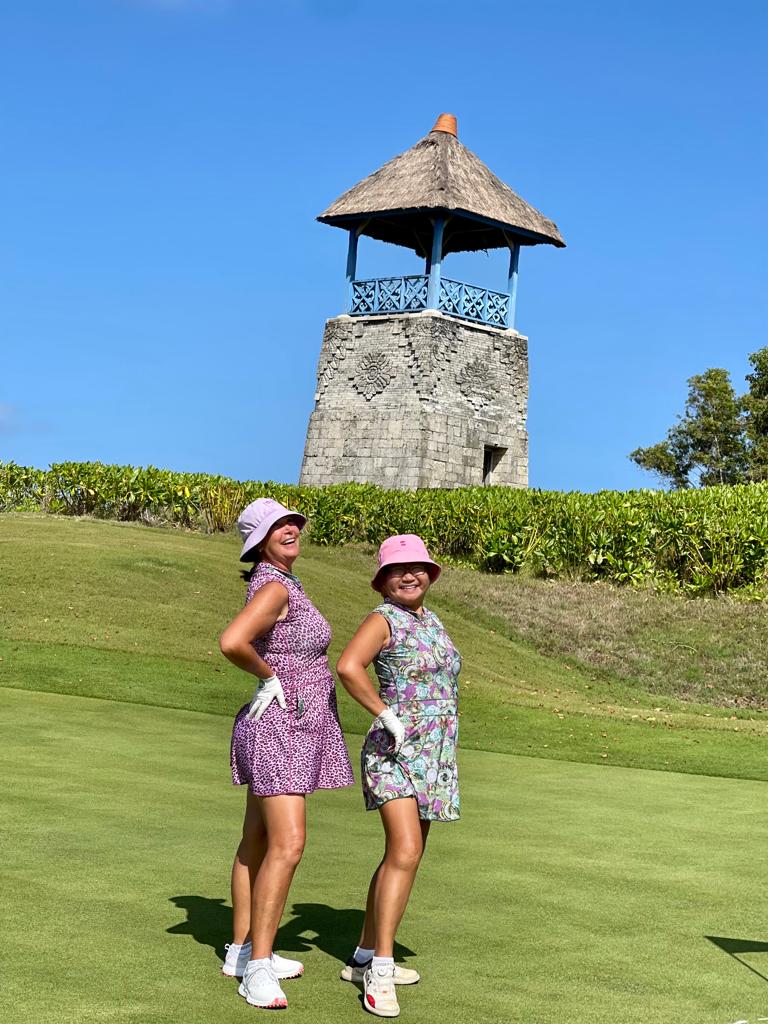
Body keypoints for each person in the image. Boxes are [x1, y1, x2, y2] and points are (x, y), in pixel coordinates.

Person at [219, 497, 355, 1009]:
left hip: (285, 723)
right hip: (282, 727)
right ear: (260, 541)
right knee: (289, 843)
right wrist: (270, 675)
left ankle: (243, 948)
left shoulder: (283, 582)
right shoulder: (275, 585)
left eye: (292, 522)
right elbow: (233, 641)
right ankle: (257, 969)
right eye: (278, 526)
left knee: (256, 838)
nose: (290, 529)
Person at [336, 535, 461, 1019]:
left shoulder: (432, 619)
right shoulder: (381, 619)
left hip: (435, 753)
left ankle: (364, 956)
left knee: (404, 855)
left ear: (430, 573)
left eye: (418, 567)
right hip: (395, 750)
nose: (409, 576)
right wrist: (385, 713)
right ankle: (381, 972)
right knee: (405, 850)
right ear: (383, 579)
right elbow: (349, 667)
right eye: (397, 570)